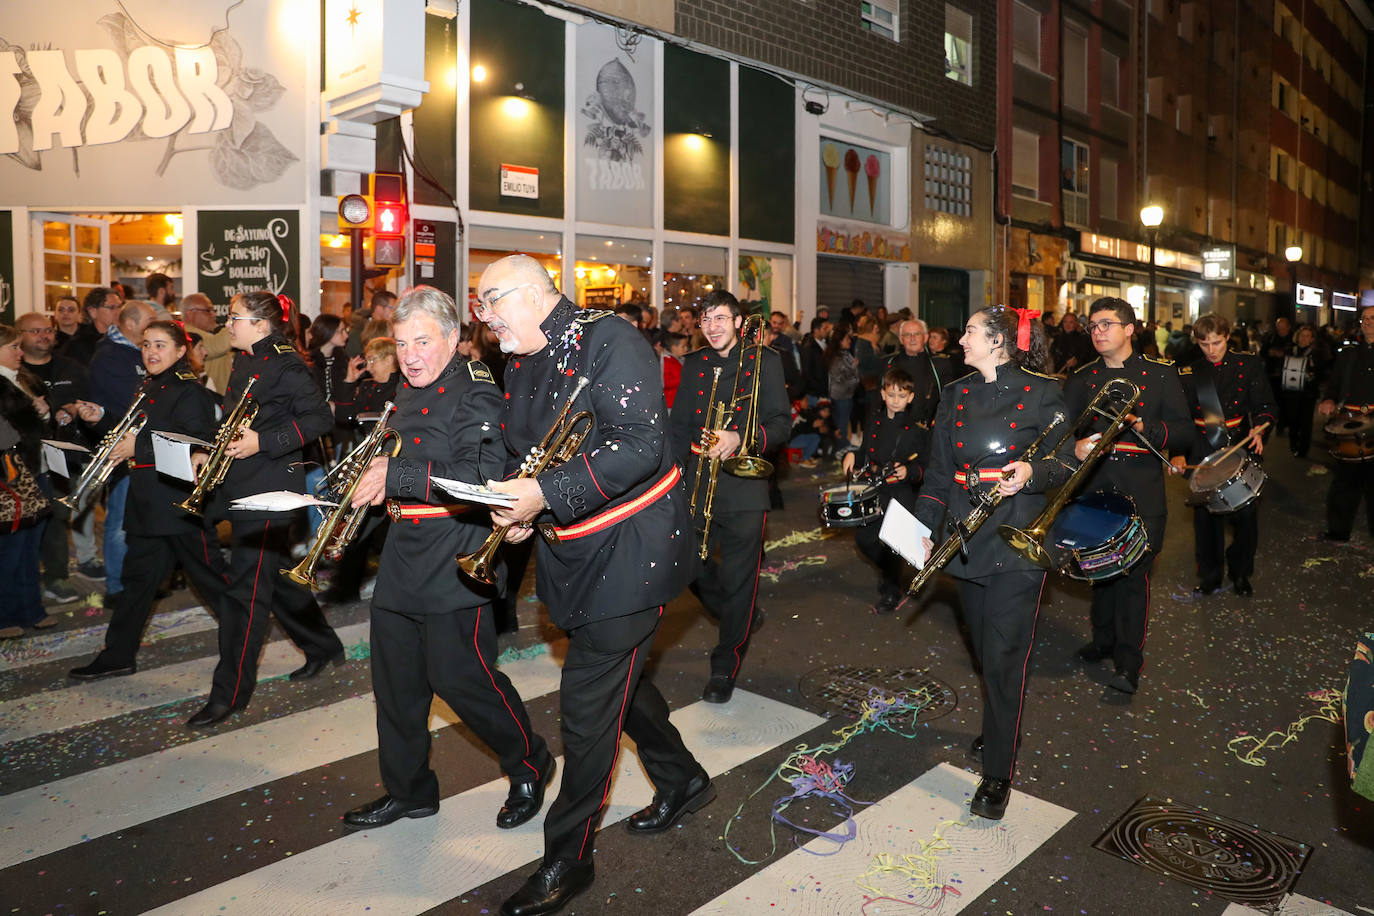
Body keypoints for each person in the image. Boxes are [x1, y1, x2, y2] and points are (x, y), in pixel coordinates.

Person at [479, 255, 708, 916]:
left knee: (585, 713)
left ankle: (567, 860)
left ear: (528, 294)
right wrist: (522, 505)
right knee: (622, 689)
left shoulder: (609, 339)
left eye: (491, 303)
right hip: (575, 550)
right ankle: (683, 778)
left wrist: (543, 494)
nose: (486, 320)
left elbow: (641, 443)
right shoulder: (522, 357)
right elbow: (533, 451)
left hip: (631, 556)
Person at [340, 285, 554, 832]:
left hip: (454, 549)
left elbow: (478, 480)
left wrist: (397, 477)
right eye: (402, 342)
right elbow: (396, 459)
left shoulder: (476, 390)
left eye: (423, 342)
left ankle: (529, 762)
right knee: (396, 686)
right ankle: (410, 792)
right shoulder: (408, 389)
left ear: (455, 339)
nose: (410, 355)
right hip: (403, 550)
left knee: (464, 680)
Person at [913, 305, 1075, 820]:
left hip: (1014, 540)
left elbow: (1066, 462)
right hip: (964, 538)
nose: (961, 340)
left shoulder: (1046, 391)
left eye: (970, 332)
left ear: (1000, 341)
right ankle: (1003, 723)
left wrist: (1031, 470)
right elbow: (938, 475)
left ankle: (998, 773)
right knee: (986, 651)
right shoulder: (955, 394)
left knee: (1005, 660)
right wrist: (921, 530)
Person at [185, 291, 344, 728]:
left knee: (244, 595)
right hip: (242, 483)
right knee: (271, 578)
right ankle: (324, 646)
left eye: (233, 318)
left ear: (260, 323)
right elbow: (235, 417)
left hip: (271, 493)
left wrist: (264, 442)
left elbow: (319, 419)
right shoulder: (246, 358)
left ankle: (229, 695)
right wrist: (208, 452)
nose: (226, 325)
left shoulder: (285, 363)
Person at [68, 322, 225, 679]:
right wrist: (102, 419)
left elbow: (196, 442)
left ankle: (252, 639)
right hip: (148, 503)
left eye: (160, 345)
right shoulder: (151, 386)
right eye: (146, 345)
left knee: (214, 583)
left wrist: (136, 446)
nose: (151, 352)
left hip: (177, 506)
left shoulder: (190, 391)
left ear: (181, 351)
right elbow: (135, 431)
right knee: (137, 584)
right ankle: (117, 655)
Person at [1063, 297, 1192, 694]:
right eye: (1093, 326)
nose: (1097, 332)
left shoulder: (1160, 374)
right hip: (1095, 491)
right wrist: (1075, 446)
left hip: (1142, 493)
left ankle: (1128, 663)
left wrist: (1146, 427)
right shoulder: (1081, 378)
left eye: (1106, 324)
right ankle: (1102, 640)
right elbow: (1063, 436)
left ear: (1129, 328)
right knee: (1099, 573)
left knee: (1134, 579)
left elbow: (1185, 430)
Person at [670, 290, 791, 702]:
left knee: (741, 582)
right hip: (698, 485)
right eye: (705, 319)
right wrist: (678, 466)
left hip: (743, 489)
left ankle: (725, 666)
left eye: (721, 318)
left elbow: (781, 424)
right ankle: (738, 615)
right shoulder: (695, 364)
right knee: (687, 567)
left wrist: (742, 438)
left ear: (739, 322)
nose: (713, 326)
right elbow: (679, 425)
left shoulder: (765, 362)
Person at [1174, 315, 1276, 597]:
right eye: (1204, 344)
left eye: (1216, 342)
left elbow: (1266, 405)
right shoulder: (1189, 372)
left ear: (1227, 336)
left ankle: (1241, 572)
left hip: (1239, 446)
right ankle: (1210, 575)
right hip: (1202, 446)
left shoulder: (1248, 364)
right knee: (1205, 520)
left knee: (1245, 517)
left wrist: (1260, 429)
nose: (1211, 349)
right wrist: (1179, 452)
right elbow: (1180, 418)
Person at [79, 300, 156, 609]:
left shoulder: (135, 351)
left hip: (143, 447)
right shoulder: (110, 356)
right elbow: (132, 404)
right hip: (123, 450)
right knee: (121, 523)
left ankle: (138, 581)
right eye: (150, 321)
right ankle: (116, 586)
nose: (153, 325)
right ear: (131, 324)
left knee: (142, 521)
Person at [841, 368, 929, 613]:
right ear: (883, 394)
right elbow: (864, 452)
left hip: (899, 492)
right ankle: (889, 571)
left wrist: (909, 472)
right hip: (874, 489)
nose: (895, 400)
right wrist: (851, 454)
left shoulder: (917, 430)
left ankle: (892, 589)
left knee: (892, 544)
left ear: (910, 397)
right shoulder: (874, 422)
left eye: (901, 396)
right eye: (891, 395)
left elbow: (926, 466)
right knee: (864, 539)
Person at [17, 312, 86, 604]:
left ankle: (56, 577)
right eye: (35, 331)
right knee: (21, 524)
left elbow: (89, 401)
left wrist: (73, 409)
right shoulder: (14, 374)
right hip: (21, 462)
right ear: (19, 337)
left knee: (58, 518)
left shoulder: (72, 367)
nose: (44, 336)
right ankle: (22, 582)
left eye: (48, 330)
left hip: (61, 457)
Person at [0, 325, 59, 637]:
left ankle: (31, 609)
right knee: (10, 549)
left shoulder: (22, 379)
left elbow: (38, 427)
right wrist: (33, 412)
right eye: (13, 347)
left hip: (38, 471)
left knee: (30, 548)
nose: (19, 353)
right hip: (11, 477)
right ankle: (5, 615)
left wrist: (45, 414)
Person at [1318, 305, 1374, 541]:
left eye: (1373, 318)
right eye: (1365, 319)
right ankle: (1338, 531)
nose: (1369, 322)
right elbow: (1334, 384)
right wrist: (1328, 400)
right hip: (1350, 425)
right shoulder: (1349, 353)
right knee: (1344, 483)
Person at [1280, 325, 1328, 458]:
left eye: (1307, 336)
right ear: (1297, 336)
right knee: (1292, 420)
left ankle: (1303, 450)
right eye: (1302, 335)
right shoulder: (1290, 350)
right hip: (1291, 392)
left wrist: (1314, 367)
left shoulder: (1316, 353)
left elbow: (1322, 373)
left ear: (1312, 339)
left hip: (1308, 393)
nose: (1304, 338)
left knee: (1306, 422)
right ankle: (1294, 443)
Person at [885, 319, 943, 425]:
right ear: (901, 339)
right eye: (907, 335)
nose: (912, 339)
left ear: (925, 337)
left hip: (928, 429)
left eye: (917, 334)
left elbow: (946, 399)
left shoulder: (939, 365)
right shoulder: (889, 363)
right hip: (897, 426)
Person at [59, 287, 123, 366]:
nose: (119, 312)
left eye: (120, 306)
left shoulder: (124, 338)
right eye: (112, 307)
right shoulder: (78, 345)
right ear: (93, 311)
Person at [824, 321, 860, 443]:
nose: (849, 341)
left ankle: (842, 445)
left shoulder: (845, 354)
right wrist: (853, 369)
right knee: (841, 424)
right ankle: (840, 448)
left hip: (848, 394)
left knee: (844, 422)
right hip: (840, 396)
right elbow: (839, 377)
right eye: (846, 339)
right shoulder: (836, 357)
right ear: (839, 341)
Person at [800, 315, 832, 405]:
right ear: (816, 330)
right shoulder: (809, 347)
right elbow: (807, 372)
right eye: (825, 328)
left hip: (826, 390)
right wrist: (819, 388)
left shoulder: (827, 343)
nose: (828, 330)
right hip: (815, 393)